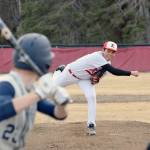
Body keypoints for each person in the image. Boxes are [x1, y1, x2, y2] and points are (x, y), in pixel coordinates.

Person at [0, 33, 71, 150]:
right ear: (45, 62)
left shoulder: (30, 90)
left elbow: (58, 115)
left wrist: (61, 104)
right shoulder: (7, 85)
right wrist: (39, 93)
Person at [53, 41, 139, 136]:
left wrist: (96, 79)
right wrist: (130, 73)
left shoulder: (107, 64)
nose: (110, 53)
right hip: (69, 73)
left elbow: (97, 77)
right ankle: (59, 71)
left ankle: (91, 124)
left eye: (113, 52)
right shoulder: (97, 57)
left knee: (92, 97)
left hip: (84, 79)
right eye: (108, 50)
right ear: (103, 50)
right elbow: (114, 71)